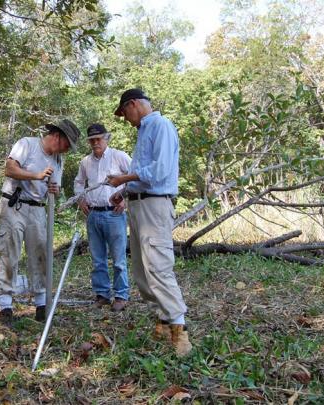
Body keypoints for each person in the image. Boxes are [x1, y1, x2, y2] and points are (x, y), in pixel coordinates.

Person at [107, 88, 192, 356]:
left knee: (158, 266)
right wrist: (124, 193)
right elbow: (141, 176)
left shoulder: (161, 126)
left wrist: (124, 179)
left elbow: (160, 171)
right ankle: (163, 321)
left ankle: (180, 329)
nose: (125, 119)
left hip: (155, 206)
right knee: (142, 272)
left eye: (124, 113)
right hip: (138, 205)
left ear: (133, 104)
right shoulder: (143, 131)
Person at [0, 119, 81, 324]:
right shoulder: (27, 144)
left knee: (41, 252)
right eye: (66, 145)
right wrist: (36, 175)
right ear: (57, 136)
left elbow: (55, 187)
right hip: (14, 205)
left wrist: (55, 190)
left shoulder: (58, 160)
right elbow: (9, 169)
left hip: (38, 209)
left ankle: (41, 304)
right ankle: (6, 306)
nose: (66, 150)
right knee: (10, 250)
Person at [74, 123, 132, 312]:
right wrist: (80, 199)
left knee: (118, 258)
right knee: (97, 258)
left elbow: (134, 178)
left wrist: (125, 199)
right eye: (92, 140)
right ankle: (102, 295)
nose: (95, 143)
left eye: (98, 139)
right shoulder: (85, 162)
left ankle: (121, 295)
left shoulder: (119, 156)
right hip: (93, 213)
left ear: (106, 138)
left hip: (114, 214)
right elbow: (79, 182)